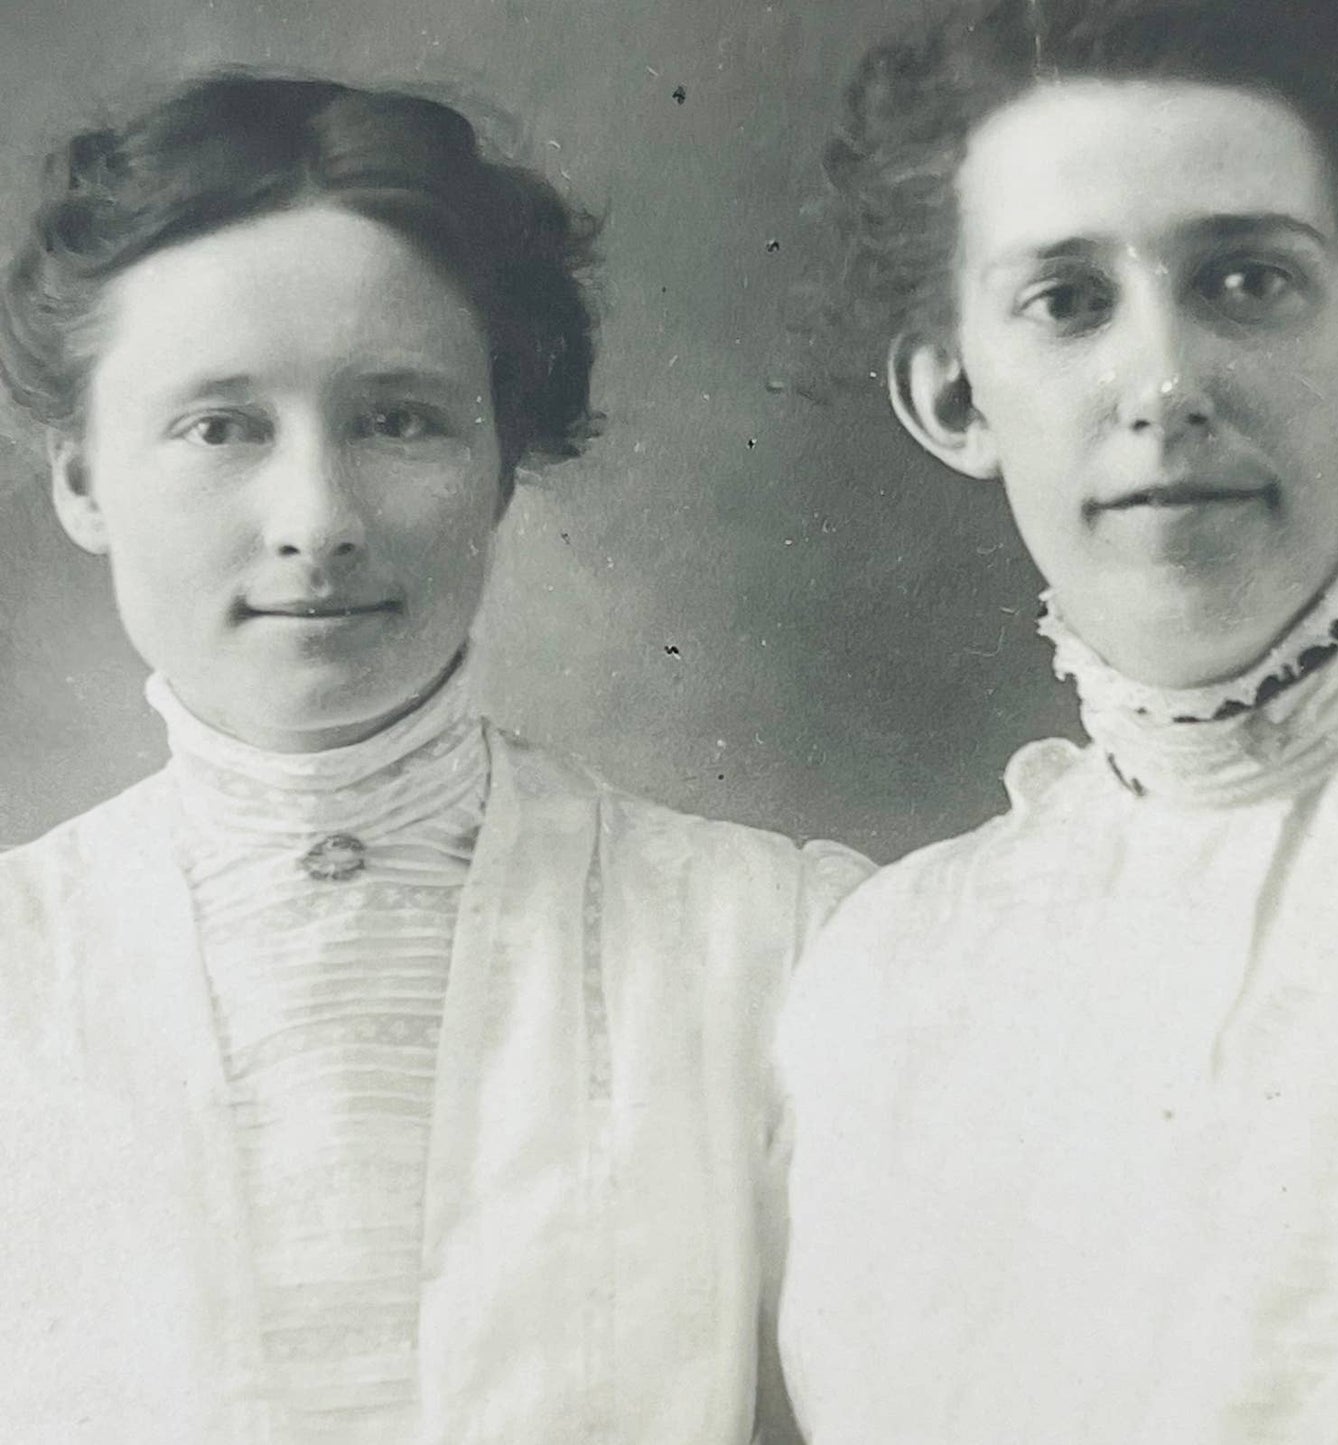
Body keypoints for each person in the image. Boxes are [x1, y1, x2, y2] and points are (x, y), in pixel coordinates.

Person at [0, 72, 867, 1444]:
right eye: (220, 425)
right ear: (82, 478)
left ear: (501, 461)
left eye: (398, 419)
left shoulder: (776, 946)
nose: (317, 518)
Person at [777, 1, 1338, 1441]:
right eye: (1066, 303)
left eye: (1246, 281)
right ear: (952, 393)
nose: (1163, 384)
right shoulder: (880, 979)